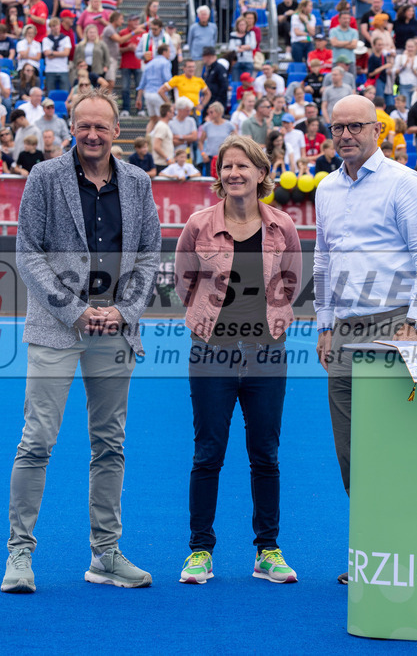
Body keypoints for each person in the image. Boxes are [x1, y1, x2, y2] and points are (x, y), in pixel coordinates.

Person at [1, 89, 161, 594]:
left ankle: (105, 555)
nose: (92, 135)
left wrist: (120, 311)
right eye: (84, 126)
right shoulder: (44, 178)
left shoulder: (138, 183)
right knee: (37, 442)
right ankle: (19, 555)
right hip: (56, 329)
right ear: (72, 128)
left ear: (117, 132)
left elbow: (149, 258)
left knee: (109, 446)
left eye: (102, 127)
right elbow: (29, 254)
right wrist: (75, 312)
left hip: (115, 332)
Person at [314, 95, 417, 584]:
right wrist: (325, 323)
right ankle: (374, 547)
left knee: (395, 443)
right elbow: (324, 262)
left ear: (378, 130)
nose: (346, 135)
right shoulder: (326, 188)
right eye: (337, 127)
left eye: (356, 126)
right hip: (345, 331)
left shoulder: (404, 184)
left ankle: (407, 548)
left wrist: (415, 321)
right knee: (350, 449)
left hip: (396, 324)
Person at [173, 135, 302, 586]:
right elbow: (184, 278)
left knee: (265, 454)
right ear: (219, 175)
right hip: (212, 352)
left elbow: (292, 280)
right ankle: (199, 552)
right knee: (208, 453)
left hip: (267, 353)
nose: (235, 174)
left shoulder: (282, 225)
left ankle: (268, 550)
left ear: (262, 173)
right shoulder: (199, 224)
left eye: (244, 166)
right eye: (227, 166)